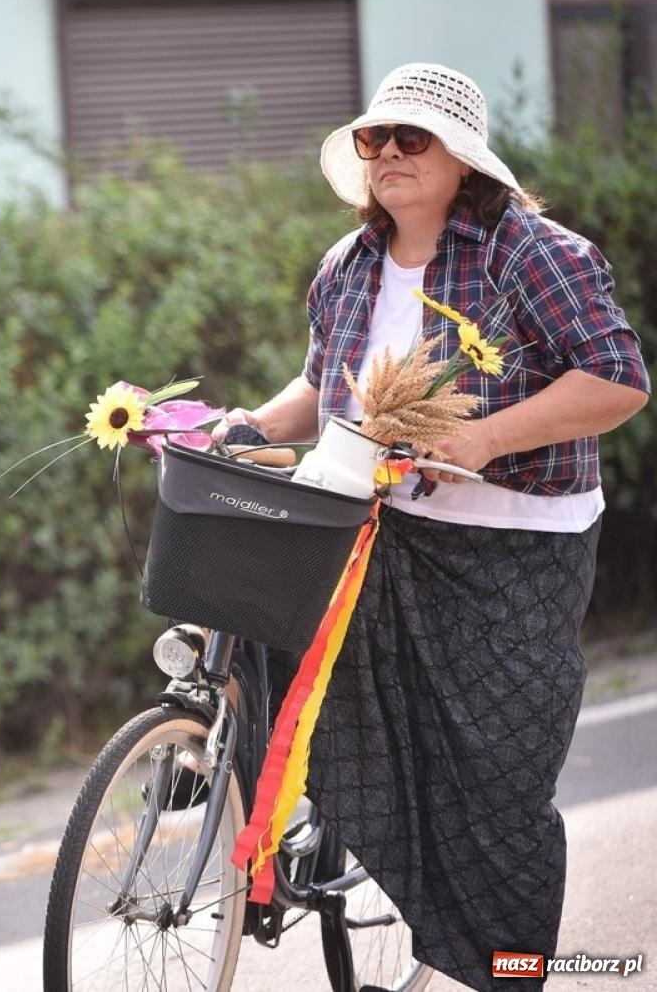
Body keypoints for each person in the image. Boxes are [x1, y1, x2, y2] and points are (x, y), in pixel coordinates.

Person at [219, 62, 648, 989]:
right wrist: (253, 422)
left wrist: (487, 437)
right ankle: (393, 911)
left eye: (412, 139)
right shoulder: (347, 267)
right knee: (355, 736)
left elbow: (617, 380)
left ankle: (507, 969)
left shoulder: (528, 252)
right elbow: (321, 385)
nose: (389, 155)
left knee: (496, 783)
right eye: (376, 139)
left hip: (517, 548)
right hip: (382, 532)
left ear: (462, 160)